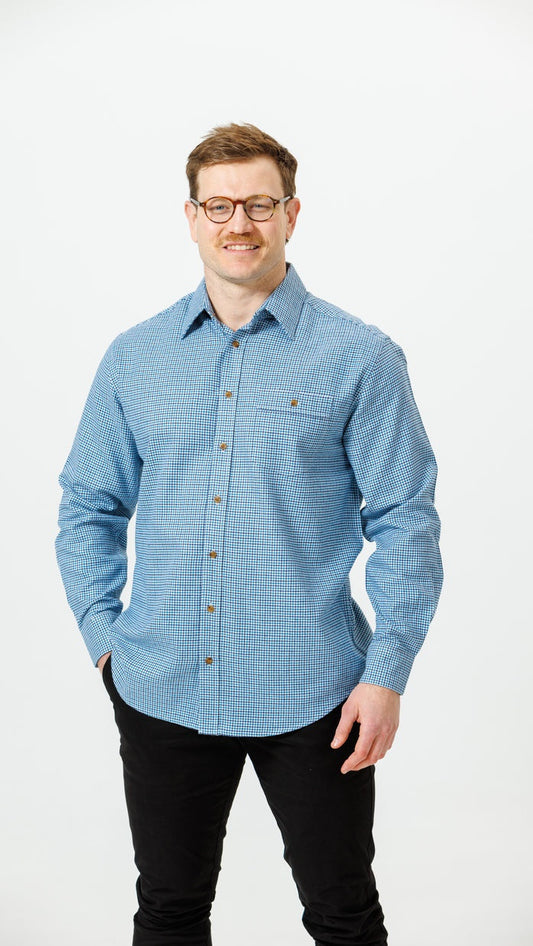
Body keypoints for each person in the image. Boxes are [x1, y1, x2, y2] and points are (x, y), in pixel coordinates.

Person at [55, 122, 443, 946]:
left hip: (316, 693)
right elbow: (88, 503)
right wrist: (104, 639)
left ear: (292, 213)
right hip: (158, 686)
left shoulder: (360, 358)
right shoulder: (136, 357)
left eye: (259, 204)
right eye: (220, 205)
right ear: (191, 217)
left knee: (342, 914)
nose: (239, 224)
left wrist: (387, 675)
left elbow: (406, 519)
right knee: (168, 909)